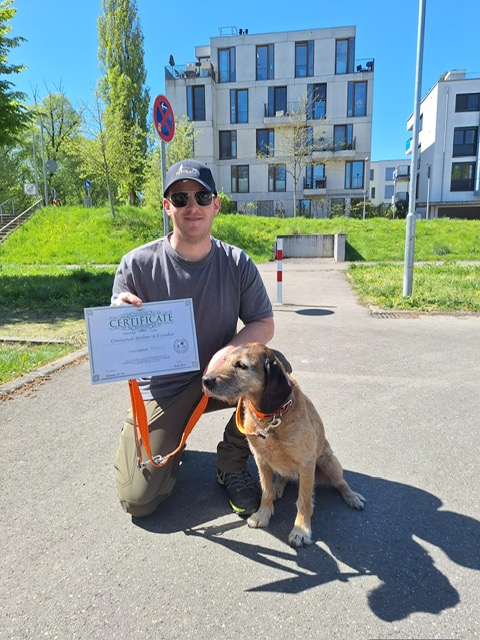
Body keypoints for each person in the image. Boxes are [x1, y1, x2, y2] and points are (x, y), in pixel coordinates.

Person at [112, 159, 287, 519]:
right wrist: (118, 316)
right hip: (165, 388)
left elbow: (263, 323)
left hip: (219, 376)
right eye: (180, 198)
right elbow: (117, 338)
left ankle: (231, 462)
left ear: (215, 205)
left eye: (202, 197)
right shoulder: (136, 265)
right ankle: (169, 444)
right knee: (138, 500)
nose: (192, 206)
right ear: (167, 206)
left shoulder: (237, 262)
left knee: (276, 370)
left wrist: (228, 351)